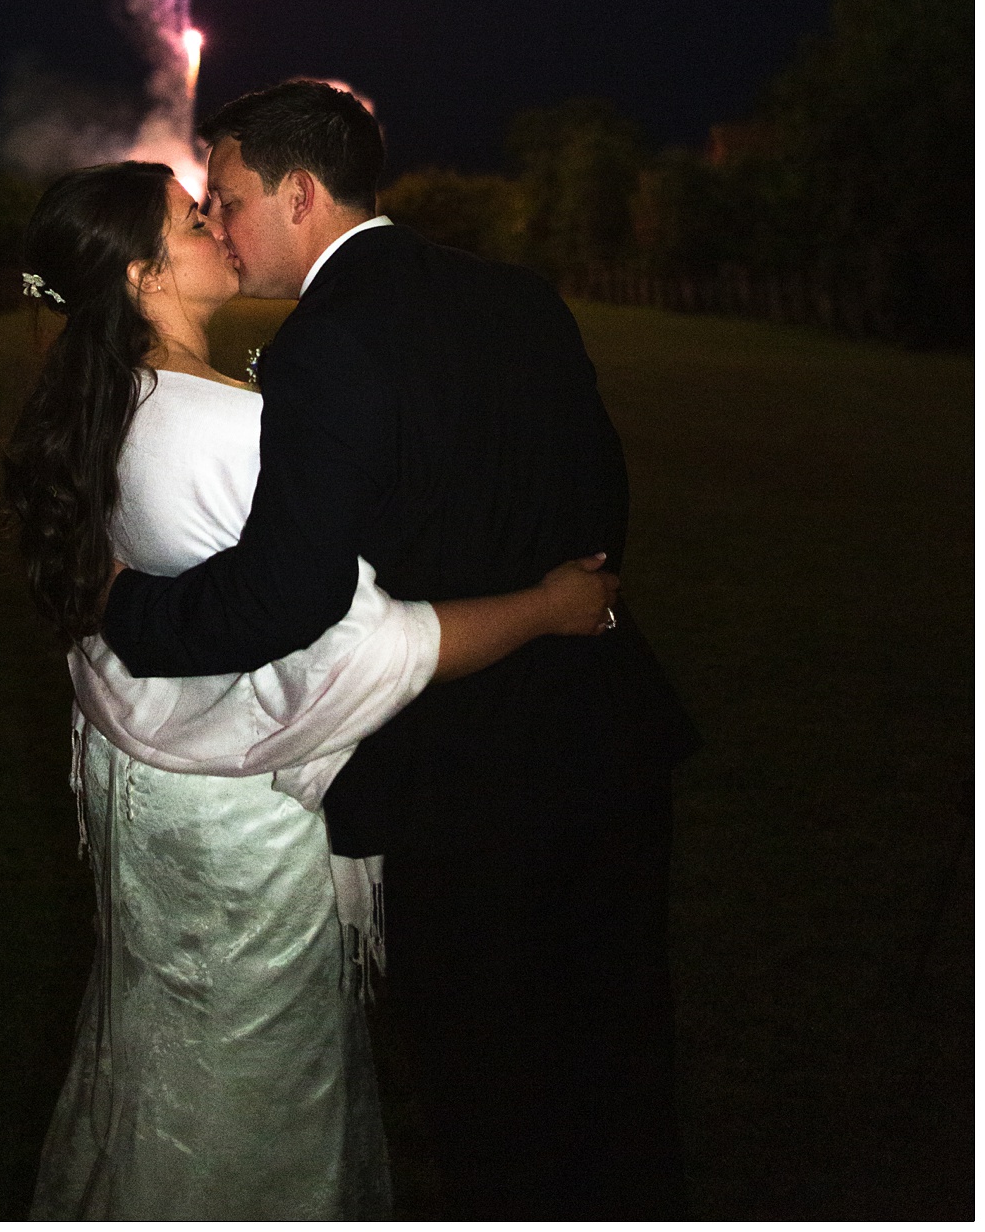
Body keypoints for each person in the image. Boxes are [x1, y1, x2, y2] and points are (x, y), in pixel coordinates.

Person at [102, 81, 699, 1222]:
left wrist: (124, 610)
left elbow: (287, 593)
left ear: (301, 193)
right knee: (622, 1067)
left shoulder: (326, 343)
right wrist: (553, 599)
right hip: (607, 738)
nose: (219, 224)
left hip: (464, 778)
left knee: (496, 1098)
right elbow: (602, 495)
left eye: (227, 200)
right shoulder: (516, 293)